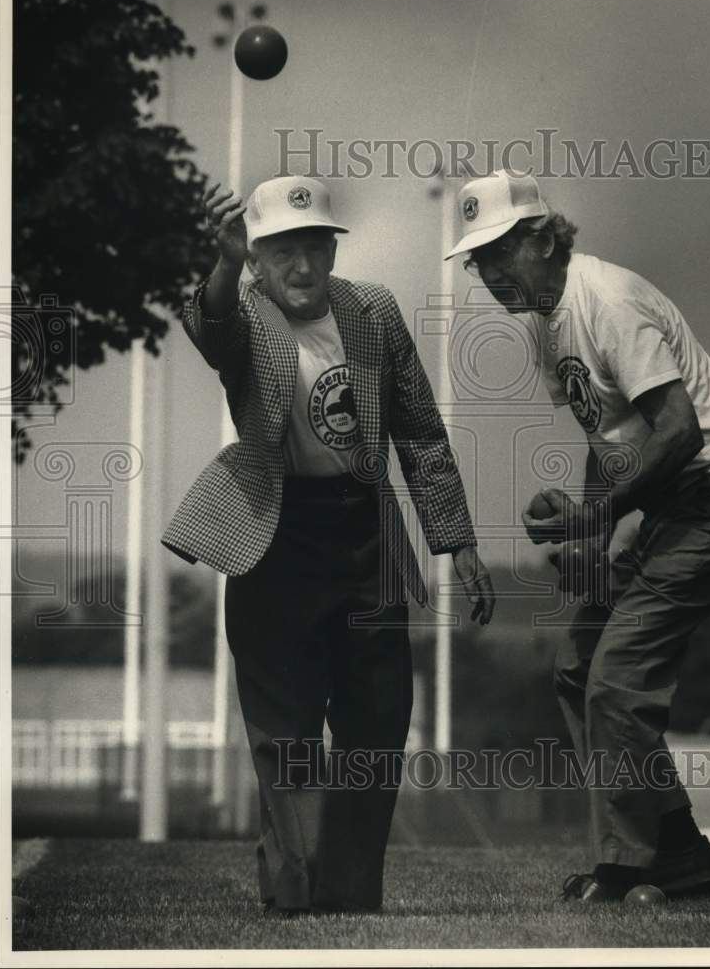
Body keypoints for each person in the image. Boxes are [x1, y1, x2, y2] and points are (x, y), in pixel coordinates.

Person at [162, 174, 495, 915]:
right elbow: (209, 333)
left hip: (363, 534)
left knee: (378, 719)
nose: (303, 268)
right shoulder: (244, 315)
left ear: (333, 250)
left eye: (315, 248)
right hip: (274, 533)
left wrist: (458, 542)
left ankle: (348, 896)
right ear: (258, 259)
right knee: (284, 730)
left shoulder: (372, 311)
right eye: (282, 252)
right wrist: (221, 267)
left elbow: (420, 430)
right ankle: (293, 887)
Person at [444, 169, 710, 901]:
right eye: (477, 260)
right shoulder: (544, 326)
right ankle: (680, 853)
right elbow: (607, 438)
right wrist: (587, 539)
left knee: (617, 679)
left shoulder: (605, 299)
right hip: (671, 501)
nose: (489, 272)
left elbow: (678, 431)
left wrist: (600, 516)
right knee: (581, 669)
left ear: (546, 238)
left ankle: (625, 867)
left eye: (501, 250)